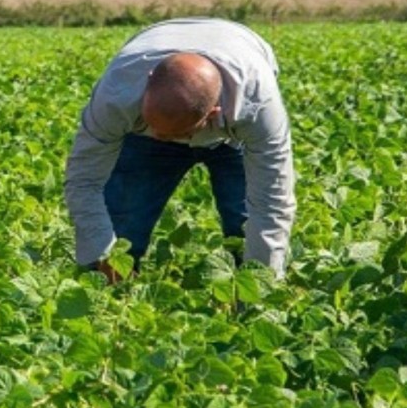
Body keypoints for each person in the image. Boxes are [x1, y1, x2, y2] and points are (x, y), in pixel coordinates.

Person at [64, 17, 295, 282]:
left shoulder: (255, 105)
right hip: (144, 137)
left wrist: (260, 286)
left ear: (212, 114)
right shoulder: (117, 94)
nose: (163, 138)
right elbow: (84, 181)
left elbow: (272, 203)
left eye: (178, 134)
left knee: (244, 226)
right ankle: (113, 298)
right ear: (148, 83)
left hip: (233, 134)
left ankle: (246, 303)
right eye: (154, 126)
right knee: (122, 228)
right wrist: (104, 255)